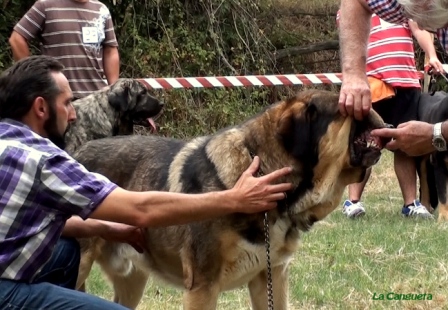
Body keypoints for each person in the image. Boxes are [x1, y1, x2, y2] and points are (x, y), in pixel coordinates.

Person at [0, 55, 293, 309]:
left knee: (66, 252)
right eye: (66, 103)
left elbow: (37, 223)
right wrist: (234, 199)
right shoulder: (43, 162)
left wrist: (104, 228)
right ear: (41, 108)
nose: (74, 113)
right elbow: (142, 209)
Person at [337, 11, 443, 219]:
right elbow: (349, 38)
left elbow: (419, 28)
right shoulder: (353, 9)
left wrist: (431, 55)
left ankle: (410, 204)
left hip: (405, 85)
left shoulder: (402, 5)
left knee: (405, 145)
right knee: (365, 145)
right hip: (370, 87)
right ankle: (353, 202)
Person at [338, 0, 448, 157]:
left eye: (424, 17)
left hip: (405, 82)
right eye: (413, 16)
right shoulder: (414, 2)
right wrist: (354, 74)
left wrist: (435, 134)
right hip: (378, 83)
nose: (422, 27)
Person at [9, 0, 119, 99]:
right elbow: (16, 40)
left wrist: (113, 89)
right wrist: (32, 78)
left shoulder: (101, 9)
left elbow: (110, 50)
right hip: (58, 98)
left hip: (97, 100)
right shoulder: (45, 5)